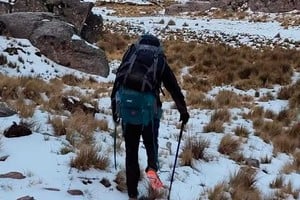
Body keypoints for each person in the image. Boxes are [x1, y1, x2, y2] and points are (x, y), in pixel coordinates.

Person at [111, 34, 189, 200]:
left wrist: (114, 110)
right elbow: (173, 87)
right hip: (150, 111)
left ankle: (132, 193)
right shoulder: (159, 60)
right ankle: (153, 177)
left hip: (128, 108)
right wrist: (183, 111)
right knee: (151, 143)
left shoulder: (131, 55)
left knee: (131, 150)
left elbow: (118, 81)